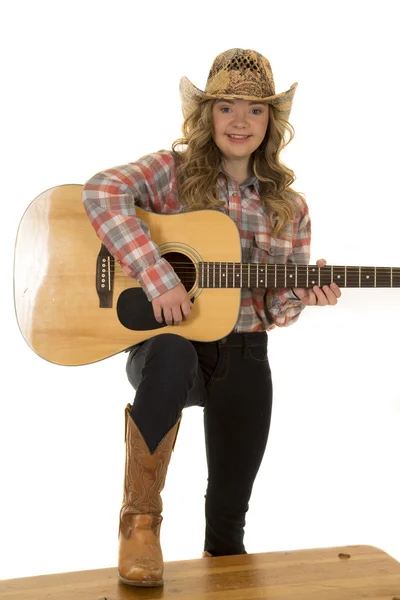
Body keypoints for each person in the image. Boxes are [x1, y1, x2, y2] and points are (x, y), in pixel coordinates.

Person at [82, 48, 341, 587]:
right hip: (169, 350)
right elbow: (101, 192)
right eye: (226, 108)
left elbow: (274, 308)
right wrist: (156, 274)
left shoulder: (289, 208)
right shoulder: (170, 172)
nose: (240, 122)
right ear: (208, 116)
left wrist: (302, 294)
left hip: (246, 351)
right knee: (173, 350)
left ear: (273, 122)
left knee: (229, 524)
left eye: (255, 110)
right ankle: (140, 525)